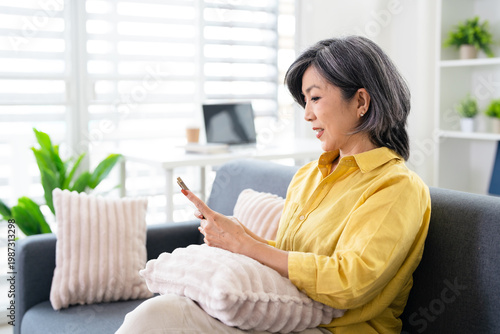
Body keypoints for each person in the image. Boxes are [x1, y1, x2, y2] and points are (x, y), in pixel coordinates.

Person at [116, 35, 431, 334]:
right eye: (304, 102)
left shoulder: (396, 187)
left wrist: (247, 246)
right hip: (287, 317)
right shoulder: (308, 175)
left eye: (316, 98)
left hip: (336, 329)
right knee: (164, 311)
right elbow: (291, 258)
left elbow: (349, 282)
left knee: (161, 317)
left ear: (361, 101)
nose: (307, 115)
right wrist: (238, 235)